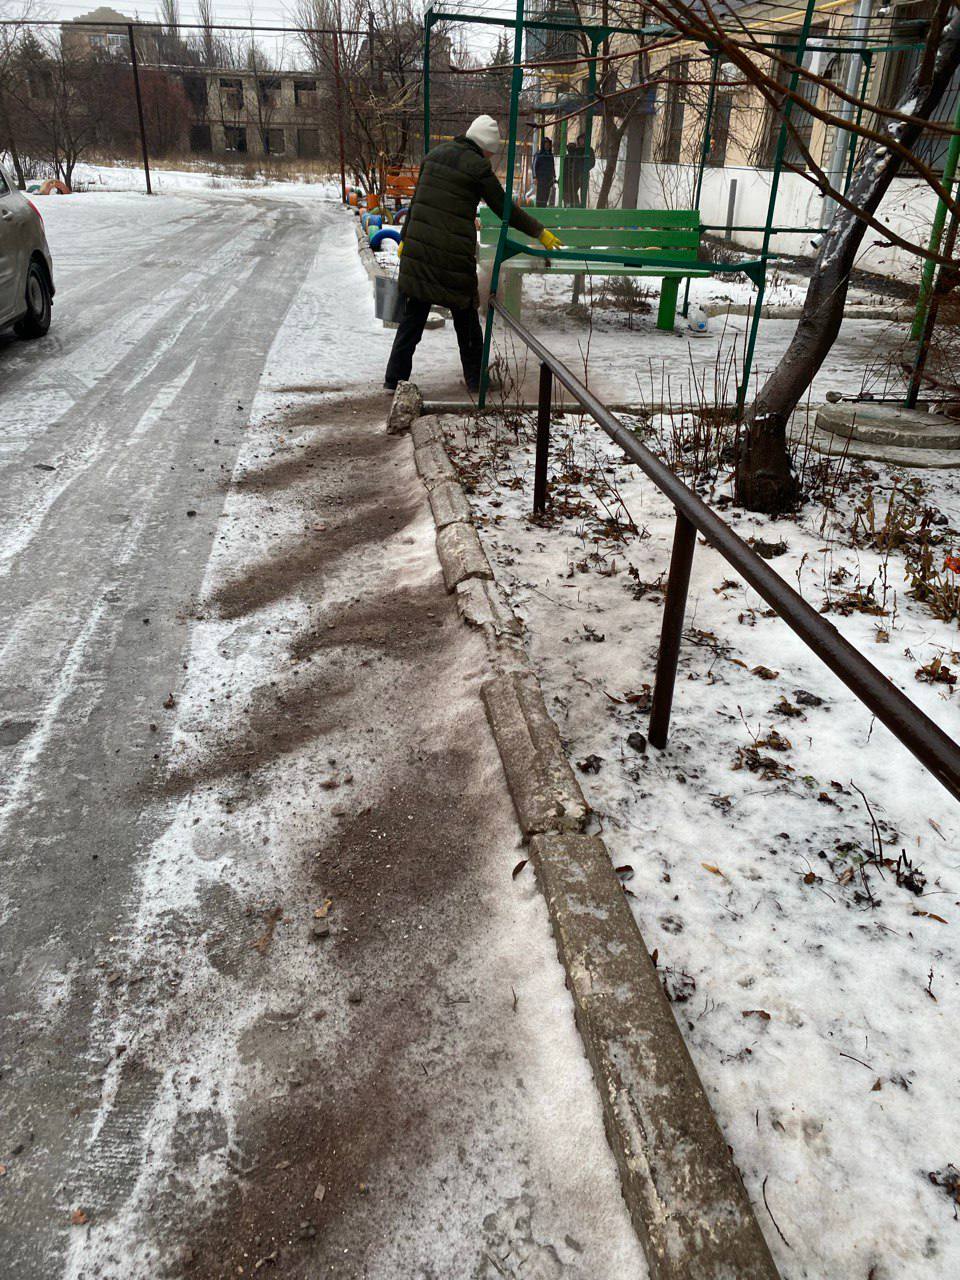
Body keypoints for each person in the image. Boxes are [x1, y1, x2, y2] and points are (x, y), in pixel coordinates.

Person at [384, 114, 563, 395]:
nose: (490, 157)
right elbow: (505, 208)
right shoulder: (477, 166)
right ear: (484, 146)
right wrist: (539, 231)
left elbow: (417, 201)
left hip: (419, 253)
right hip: (451, 257)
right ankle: (478, 382)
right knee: (466, 316)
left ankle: (394, 379)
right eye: (491, 152)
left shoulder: (434, 155)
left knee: (413, 317)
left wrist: (405, 239)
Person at [532, 135, 556, 207]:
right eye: (545, 144)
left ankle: (544, 207)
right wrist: (535, 177)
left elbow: (552, 166)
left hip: (548, 179)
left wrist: (554, 176)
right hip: (540, 179)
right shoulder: (538, 155)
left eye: (548, 144)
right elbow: (534, 166)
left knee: (546, 195)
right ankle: (539, 208)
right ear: (543, 145)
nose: (547, 146)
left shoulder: (550, 155)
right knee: (540, 195)